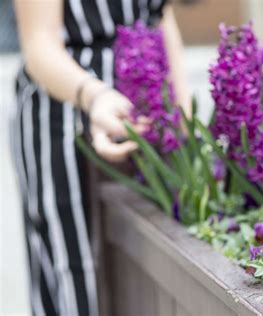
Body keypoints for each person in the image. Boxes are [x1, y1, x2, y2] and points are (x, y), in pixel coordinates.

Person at [11, 0, 189, 315]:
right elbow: (39, 43)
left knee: (150, 272)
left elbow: (161, 17)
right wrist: (97, 96)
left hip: (150, 120)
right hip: (68, 118)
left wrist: (183, 118)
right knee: (81, 275)